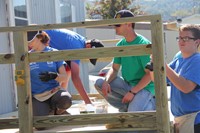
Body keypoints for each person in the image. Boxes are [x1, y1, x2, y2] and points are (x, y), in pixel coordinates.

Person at [95, 10, 155, 113]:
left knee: (133, 115)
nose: (115, 28)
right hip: (127, 85)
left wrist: (132, 92)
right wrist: (106, 81)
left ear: (129, 24)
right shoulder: (120, 45)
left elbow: (149, 75)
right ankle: (126, 107)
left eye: (117, 25)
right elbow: (114, 69)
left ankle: (151, 104)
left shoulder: (143, 44)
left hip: (144, 88)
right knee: (99, 83)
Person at [147, 24, 200, 133]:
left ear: (197, 42)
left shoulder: (197, 60)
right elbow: (156, 80)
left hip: (195, 121)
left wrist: (164, 66)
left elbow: (186, 87)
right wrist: (153, 65)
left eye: (186, 38)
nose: (181, 41)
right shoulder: (177, 61)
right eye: (180, 38)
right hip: (181, 120)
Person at [43, 29, 104, 106]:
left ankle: (60, 102)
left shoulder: (80, 40)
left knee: (67, 70)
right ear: (89, 47)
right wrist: (88, 102)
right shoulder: (77, 47)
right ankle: (57, 103)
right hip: (39, 41)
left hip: (44, 41)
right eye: (89, 56)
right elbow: (75, 78)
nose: (86, 57)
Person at [27, 31, 72, 117]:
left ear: (39, 38)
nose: (29, 44)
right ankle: (50, 110)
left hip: (54, 92)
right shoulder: (27, 56)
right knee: (40, 125)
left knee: (66, 99)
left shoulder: (54, 53)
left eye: (31, 41)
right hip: (37, 96)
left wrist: (54, 76)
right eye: (27, 42)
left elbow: (65, 78)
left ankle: (58, 112)